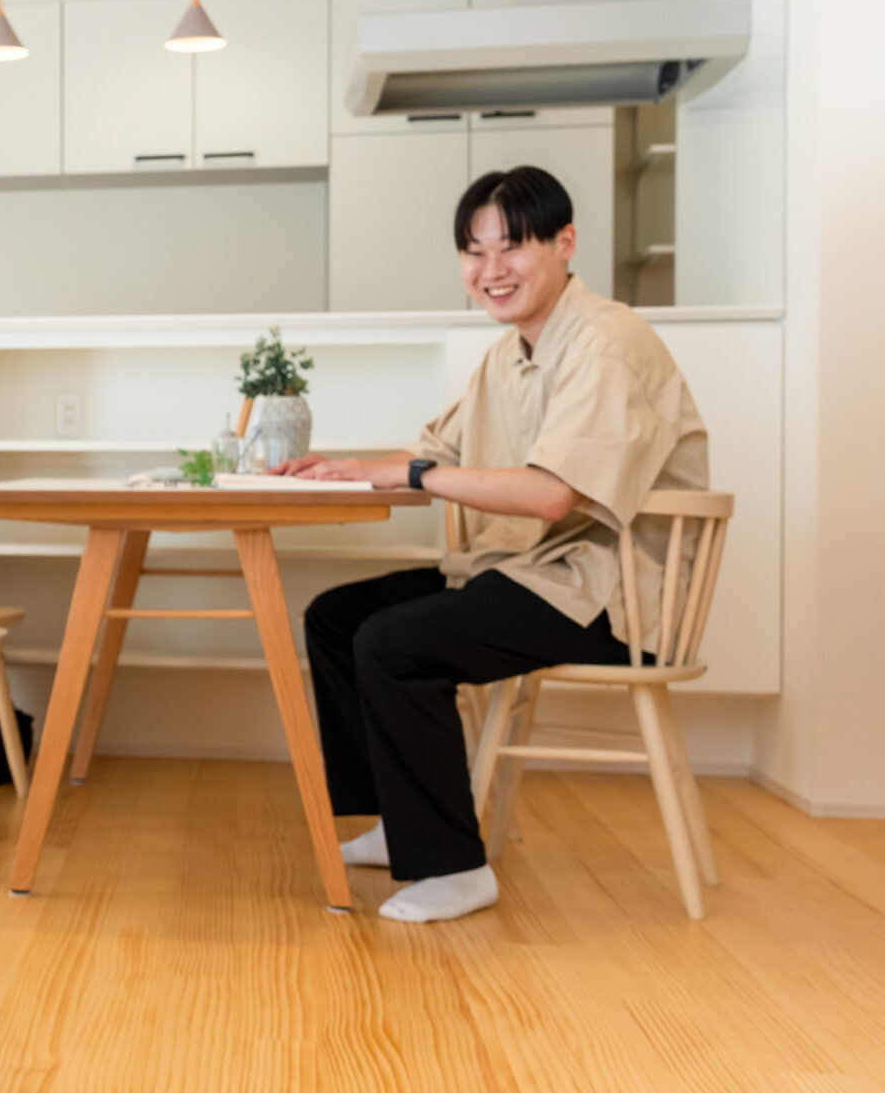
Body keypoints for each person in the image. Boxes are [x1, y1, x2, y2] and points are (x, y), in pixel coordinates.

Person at [277, 165, 708, 924]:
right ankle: (399, 822)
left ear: (565, 242)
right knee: (337, 617)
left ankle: (456, 867)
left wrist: (409, 471)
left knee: (393, 642)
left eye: (511, 246)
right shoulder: (509, 355)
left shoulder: (606, 342)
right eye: (474, 253)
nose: (490, 270)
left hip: (609, 601)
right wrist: (349, 468)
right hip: (534, 573)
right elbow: (435, 458)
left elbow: (549, 493)